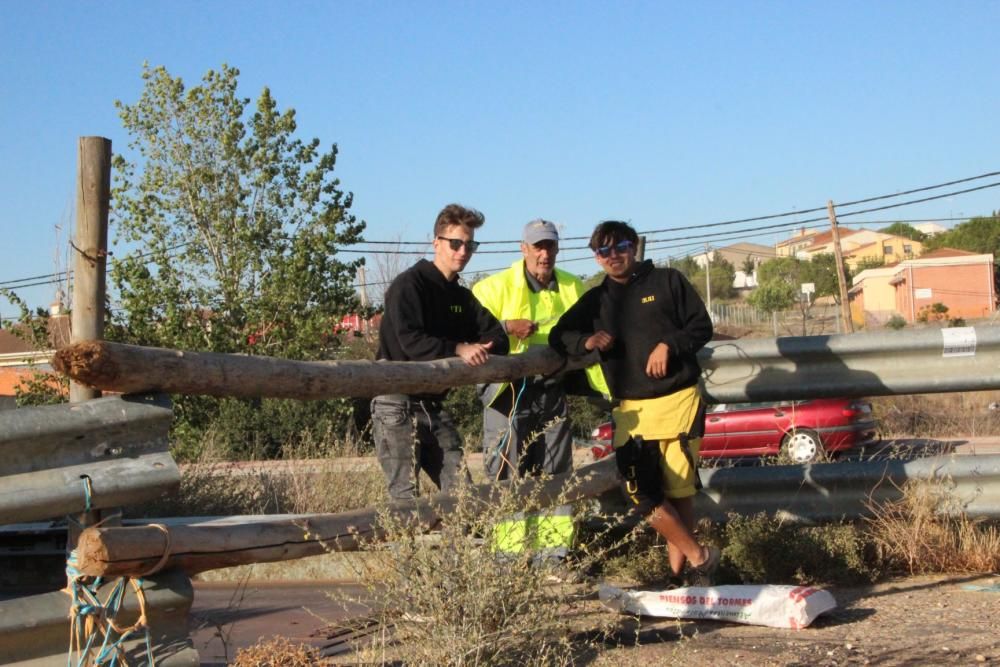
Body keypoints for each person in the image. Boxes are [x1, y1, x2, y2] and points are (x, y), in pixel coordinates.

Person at [549, 220, 720, 581]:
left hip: (679, 400)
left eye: (621, 247)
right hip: (631, 411)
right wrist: (587, 342)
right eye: (604, 251)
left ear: (634, 247)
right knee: (641, 494)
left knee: (679, 493)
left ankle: (681, 578)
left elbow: (701, 326)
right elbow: (558, 335)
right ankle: (701, 556)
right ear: (596, 258)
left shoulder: (669, 281)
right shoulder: (596, 300)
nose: (614, 256)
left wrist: (668, 345)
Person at [372, 203, 509, 501]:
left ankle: (459, 547)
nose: (463, 251)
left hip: (433, 404)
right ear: (436, 242)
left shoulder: (460, 296)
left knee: (462, 495)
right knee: (405, 498)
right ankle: (407, 549)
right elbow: (412, 342)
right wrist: (459, 348)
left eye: (470, 244)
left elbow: (498, 337)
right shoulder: (409, 286)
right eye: (456, 243)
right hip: (396, 401)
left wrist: (483, 348)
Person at [472, 219, 608, 481]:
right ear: (524, 249)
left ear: (557, 249)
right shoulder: (492, 288)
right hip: (507, 393)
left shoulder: (573, 286)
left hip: (553, 391)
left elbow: (586, 330)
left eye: (550, 246)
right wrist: (508, 327)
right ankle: (508, 524)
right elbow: (468, 332)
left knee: (555, 472)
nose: (544, 255)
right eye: (538, 247)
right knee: (506, 472)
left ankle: (556, 524)